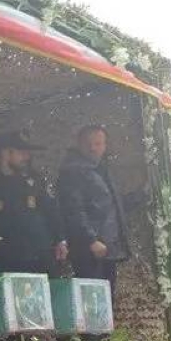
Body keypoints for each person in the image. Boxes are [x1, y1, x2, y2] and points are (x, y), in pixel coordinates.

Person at [0, 131, 67, 275]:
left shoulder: (36, 179)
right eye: (21, 152)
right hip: (6, 255)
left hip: (40, 254)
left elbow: (52, 211)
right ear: (5, 153)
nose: (26, 157)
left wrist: (60, 240)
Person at [57, 125, 129, 294]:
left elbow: (112, 204)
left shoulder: (102, 170)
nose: (92, 148)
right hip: (89, 248)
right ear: (79, 144)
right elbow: (73, 210)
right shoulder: (73, 172)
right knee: (92, 298)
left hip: (107, 247)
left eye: (97, 143)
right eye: (88, 143)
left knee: (107, 297)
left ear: (105, 145)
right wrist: (91, 240)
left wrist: (143, 194)